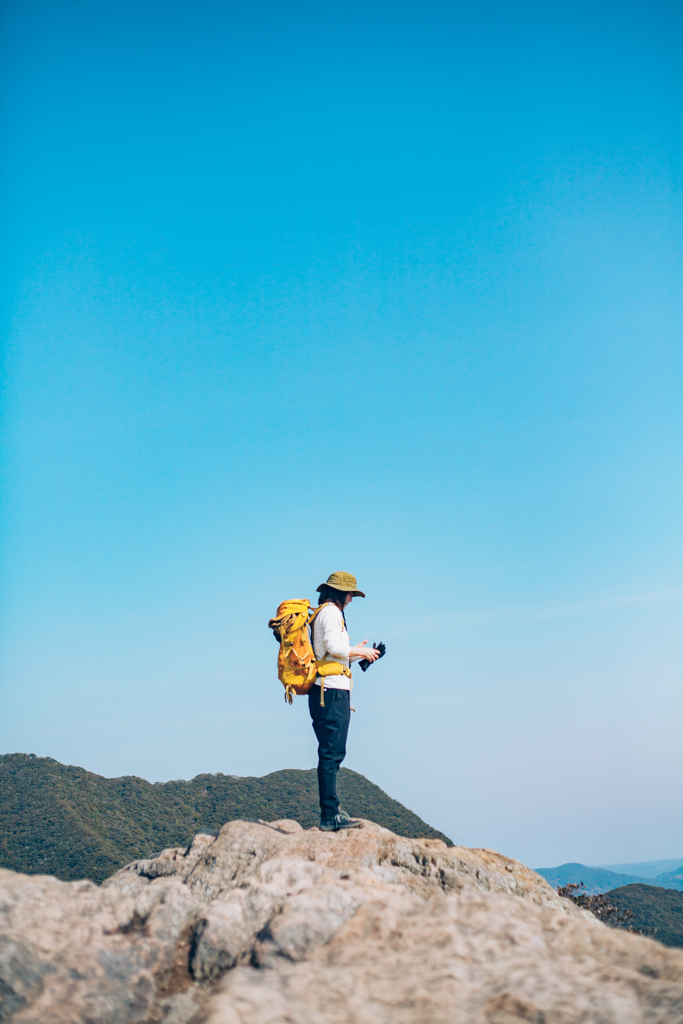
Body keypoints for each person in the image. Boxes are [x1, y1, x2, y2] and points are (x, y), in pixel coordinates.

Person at [309, 571, 380, 832]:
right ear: (340, 593)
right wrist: (360, 651)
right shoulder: (331, 613)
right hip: (331, 692)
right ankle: (329, 816)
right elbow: (334, 646)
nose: (351, 599)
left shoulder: (324, 612)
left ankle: (332, 809)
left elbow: (333, 653)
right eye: (350, 594)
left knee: (332, 751)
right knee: (331, 753)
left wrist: (356, 653)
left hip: (328, 690)